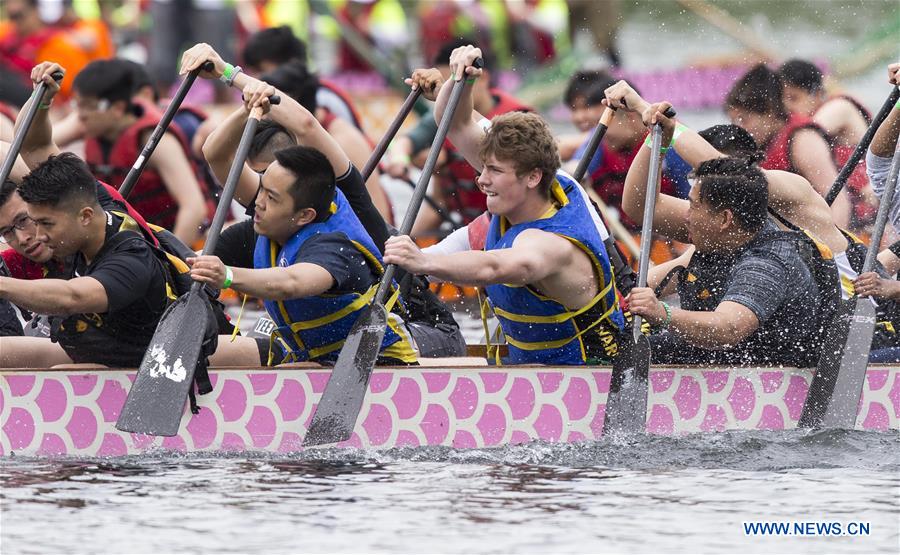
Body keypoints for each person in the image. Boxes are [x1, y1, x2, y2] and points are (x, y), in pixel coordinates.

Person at [383, 45, 625, 365]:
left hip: (586, 379)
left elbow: (493, 267)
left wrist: (422, 263)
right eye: (484, 167)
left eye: (494, 171)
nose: (481, 180)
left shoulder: (550, 244)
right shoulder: (528, 170)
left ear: (532, 177)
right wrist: (461, 80)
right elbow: (454, 123)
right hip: (529, 372)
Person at [384, 39, 532, 234]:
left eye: (454, 83)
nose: (448, 91)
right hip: (469, 230)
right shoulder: (441, 117)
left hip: (514, 228)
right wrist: (405, 239)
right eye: (445, 86)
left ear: (483, 77)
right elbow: (439, 201)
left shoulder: (522, 120)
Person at [70, 59, 214, 245]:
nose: (80, 115)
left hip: (181, 243)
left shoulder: (155, 140)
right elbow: (35, 146)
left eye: (88, 106)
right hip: (136, 244)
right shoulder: (92, 122)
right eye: (78, 105)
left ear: (118, 108)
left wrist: (168, 261)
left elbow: (194, 208)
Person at [260, 60, 392, 222]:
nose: (264, 117)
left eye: (268, 108)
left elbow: (380, 217)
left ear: (291, 104)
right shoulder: (299, 132)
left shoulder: (345, 141)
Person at [725, 64, 851, 227]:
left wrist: (835, 250)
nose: (738, 128)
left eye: (743, 119)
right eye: (733, 120)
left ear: (769, 112)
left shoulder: (802, 140)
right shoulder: (757, 142)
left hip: (840, 231)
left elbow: (840, 204)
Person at [779, 58, 876, 226]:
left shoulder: (839, 108)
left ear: (816, 94)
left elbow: (800, 138)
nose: (788, 107)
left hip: (873, 207)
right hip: (851, 209)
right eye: (782, 101)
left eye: (794, 98)